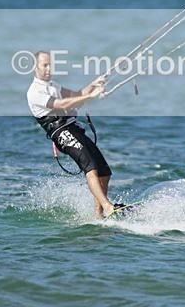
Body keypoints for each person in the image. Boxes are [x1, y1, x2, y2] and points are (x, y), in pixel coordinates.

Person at [27, 50, 120, 218]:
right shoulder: (35, 91)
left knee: (105, 172)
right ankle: (107, 206)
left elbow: (76, 95)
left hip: (74, 129)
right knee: (90, 167)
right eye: (44, 65)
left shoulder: (53, 86)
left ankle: (98, 215)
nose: (49, 69)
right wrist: (91, 95)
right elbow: (62, 103)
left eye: (51, 65)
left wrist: (93, 84)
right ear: (35, 67)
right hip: (61, 132)